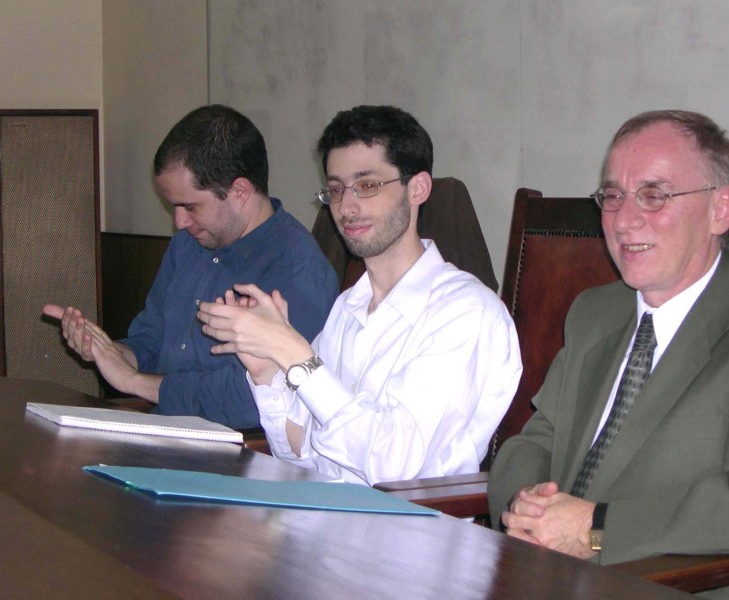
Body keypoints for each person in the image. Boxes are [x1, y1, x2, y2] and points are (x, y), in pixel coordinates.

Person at [488, 110, 729, 599]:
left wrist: (595, 530)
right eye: (612, 196)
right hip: (549, 578)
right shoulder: (596, 311)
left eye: (654, 195)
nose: (624, 219)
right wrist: (525, 509)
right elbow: (535, 442)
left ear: (720, 209)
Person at [197, 105, 522, 485]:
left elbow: (393, 469)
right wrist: (267, 371)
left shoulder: (467, 312)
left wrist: (292, 352)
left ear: (417, 188)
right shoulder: (348, 306)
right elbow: (301, 453)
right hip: (323, 522)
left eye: (367, 186)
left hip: (410, 535)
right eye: (335, 190)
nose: (346, 207)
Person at [43, 104, 338, 429]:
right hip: (166, 435)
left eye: (190, 206)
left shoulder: (296, 266)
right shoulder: (190, 243)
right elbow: (151, 342)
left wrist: (134, 383)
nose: (179, 222)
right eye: (174, 206)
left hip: (239, 454)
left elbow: (252, 401)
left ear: (239, 191)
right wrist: (108, 352)